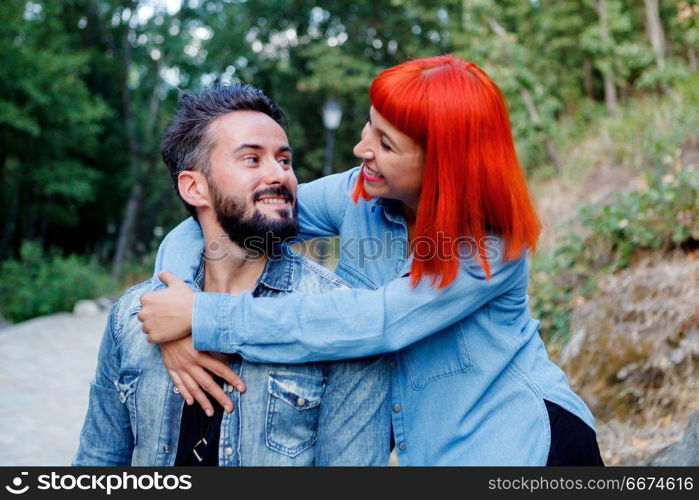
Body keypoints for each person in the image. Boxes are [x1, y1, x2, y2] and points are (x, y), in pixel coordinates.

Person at [139, 55, 604, 466]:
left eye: (386, 144)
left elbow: (377, 321)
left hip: (528, 448)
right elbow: (215, 219)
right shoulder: (360, 193)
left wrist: (205, 318)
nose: (363, 149)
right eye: (369, 126)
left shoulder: (490, 245)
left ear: (442, 164)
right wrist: (176, 309)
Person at [73, 83, 390, 466]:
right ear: (194, 187)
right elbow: (99, 460)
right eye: (252, 160)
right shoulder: (131, 317)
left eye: (285, 161)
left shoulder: (343, 319)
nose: (281, 176)